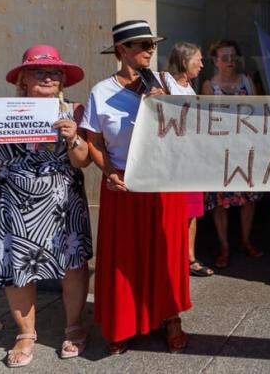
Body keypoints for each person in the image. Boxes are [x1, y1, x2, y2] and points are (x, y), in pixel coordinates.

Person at [0, 45, 92, 367]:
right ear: (23, 78)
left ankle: (74, 326)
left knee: (72, 263)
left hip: (62, 203)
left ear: (63, 80)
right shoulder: (1, 113)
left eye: (55, 72)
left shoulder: (76, 111)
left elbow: (82, 162)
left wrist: (74, 139)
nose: (48, 77)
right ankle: (25, 333)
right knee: (18, 270)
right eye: (39, 71)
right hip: (14, 204)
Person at [82, 20, 190, 354]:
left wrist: (165, 103)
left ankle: (170, 317)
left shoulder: (168, 82)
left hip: (164, 179)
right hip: (123, 183)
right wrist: (109, 170)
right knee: (123, 256)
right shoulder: (101, 92)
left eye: (151, 45)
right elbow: (94, 141)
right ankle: (124, 323)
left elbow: (193, 126)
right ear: (121, 51)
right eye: (141, 45)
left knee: (167, 250)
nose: (148, 51)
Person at [200, 39, 263, 269]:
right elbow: (205, 119)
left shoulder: (247, 81)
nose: (230, 62)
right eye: (224, 57)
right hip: (220, 150)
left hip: (246, 147)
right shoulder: (209, 86)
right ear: (215, 61)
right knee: (220, 200)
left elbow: (259, 112)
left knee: (249, 198)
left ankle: (246, 240)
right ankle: (224, 246)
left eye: (233, 57)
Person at [166, 42, 213, 278]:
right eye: (198, 60)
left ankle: (190, 257)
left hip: (191, 159)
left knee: (192, 211)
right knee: (176, 211)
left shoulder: (189, 87)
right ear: (184, 62)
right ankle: (174, 258)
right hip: (173, 163)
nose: (202, 64)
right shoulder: (165, 85)